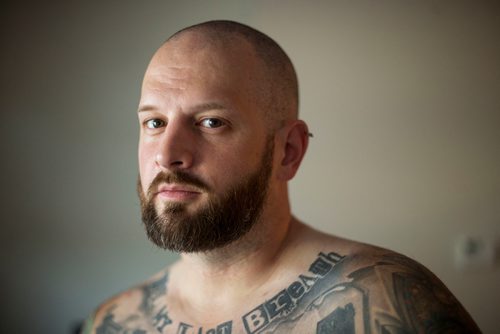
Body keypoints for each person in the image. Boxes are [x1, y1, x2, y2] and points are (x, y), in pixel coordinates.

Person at [82, 20, 480, 334]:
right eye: (154, 122)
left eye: (211, 122)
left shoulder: (389, 303)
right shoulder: (113, 321)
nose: (168, 155)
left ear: (288, 151)